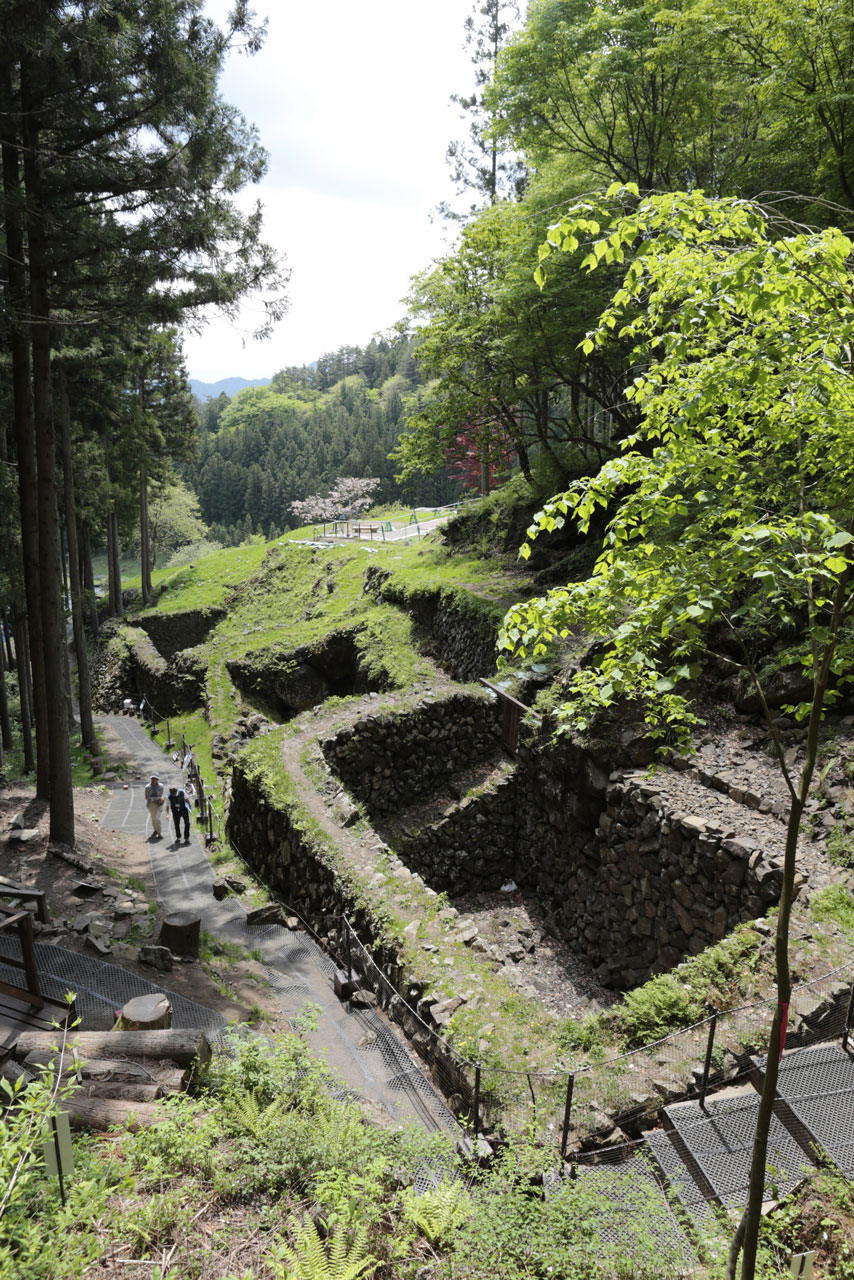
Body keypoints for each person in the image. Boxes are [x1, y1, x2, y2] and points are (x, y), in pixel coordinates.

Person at [144, 773, 164, 840]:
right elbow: (146, 797)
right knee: (153, 818)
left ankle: (159, 833)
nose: (153, 780)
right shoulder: (147, 787)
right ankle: (155, 830)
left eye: (154, 779)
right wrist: (151, 798)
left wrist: (155, 799)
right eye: (152, 778)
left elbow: (160, 795)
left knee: (157, 818)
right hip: (151, 805)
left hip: (158, 804)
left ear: (157, 779)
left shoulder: (161, 786)